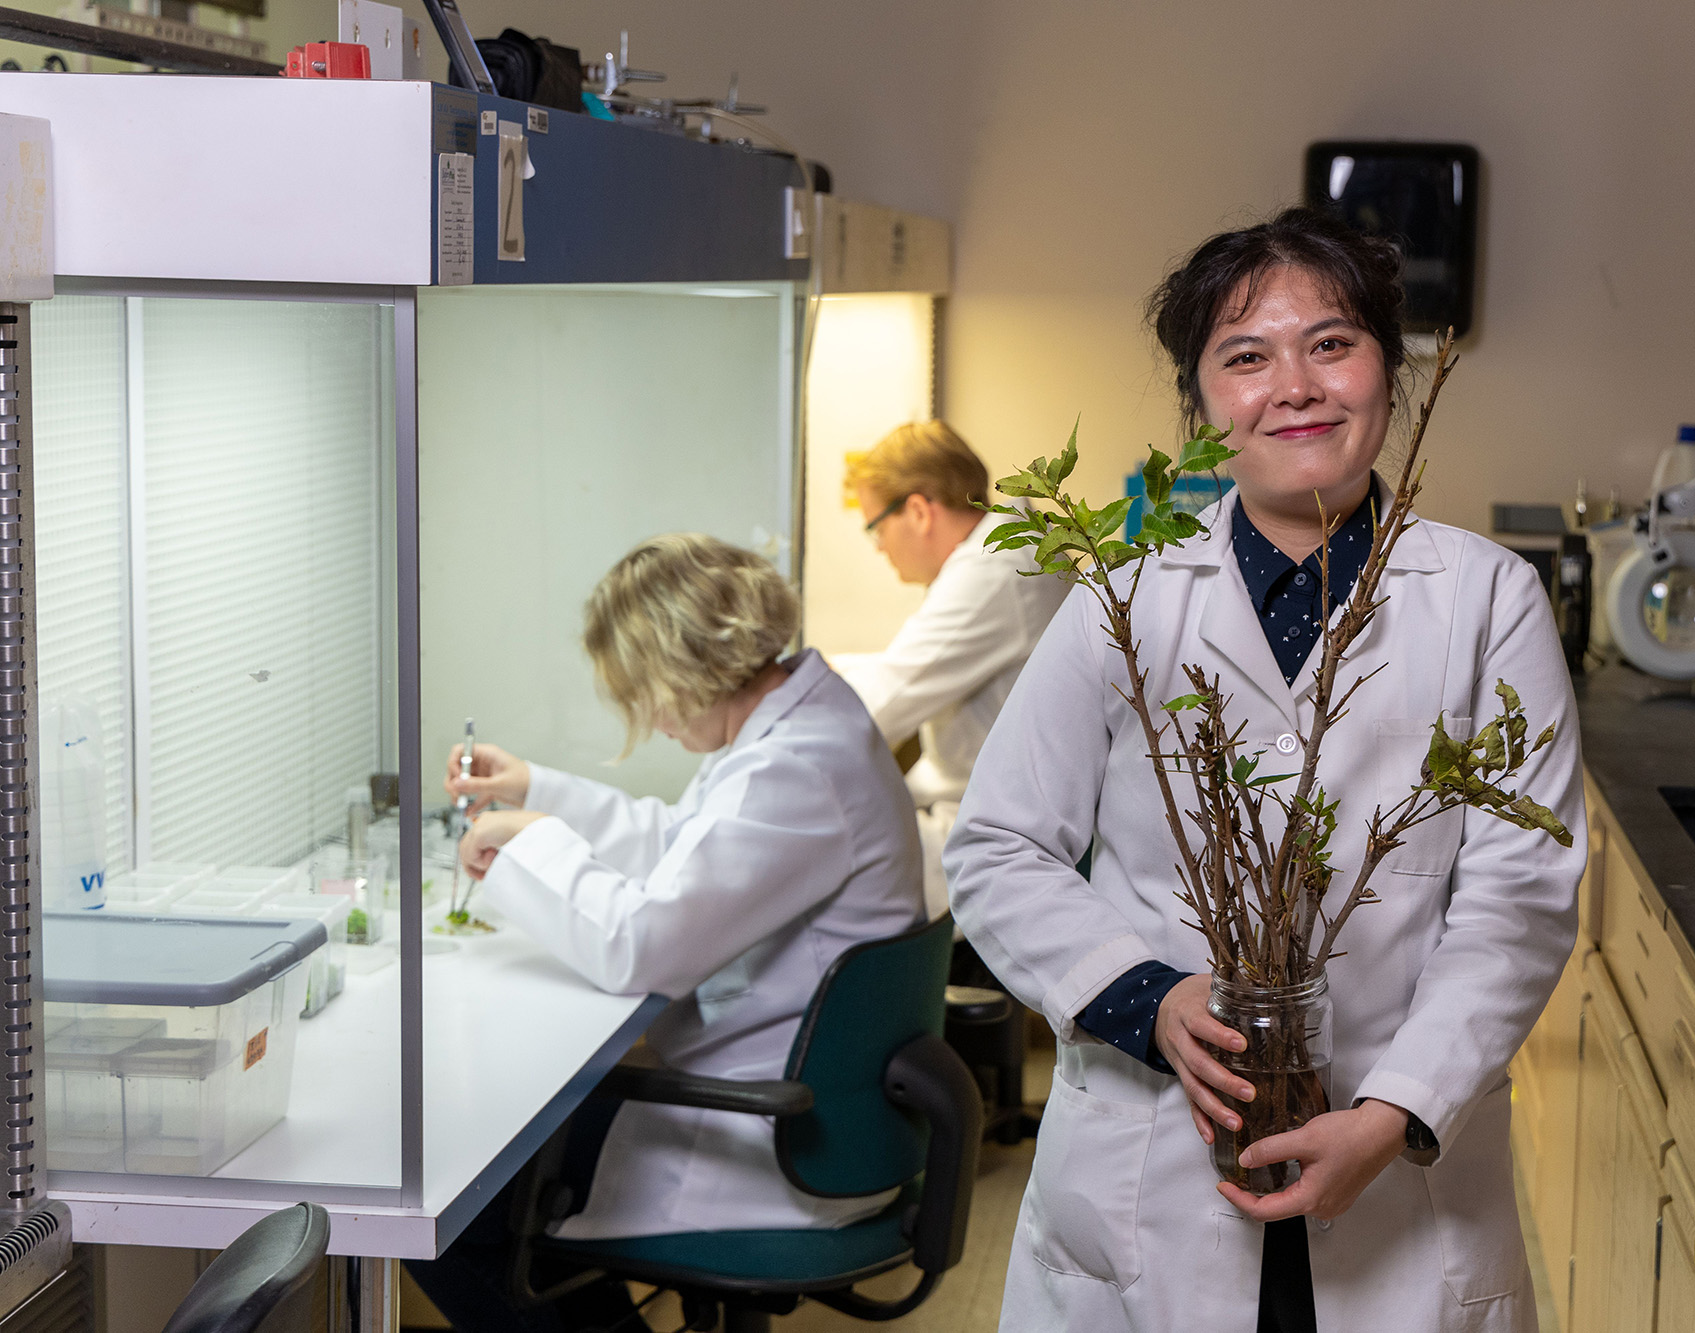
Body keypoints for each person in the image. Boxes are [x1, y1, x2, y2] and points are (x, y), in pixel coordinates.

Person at [945, 207, 1586, 1332]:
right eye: (1245, 357)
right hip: (1154, 1175)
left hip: (1399, 1182)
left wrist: (1394, 1109)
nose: (1294, 385)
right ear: (1200, 410)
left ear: (1390, 368)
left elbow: (1515, 899)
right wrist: (1152, 1000)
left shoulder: (1487, 600)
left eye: (1330, 344)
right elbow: (998, 846)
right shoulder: (1123, 596)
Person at [407, 533, 925, 1333]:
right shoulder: (805, 722)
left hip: (775, 1133)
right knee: (503, 1178)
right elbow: (690, 844)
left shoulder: (796, 768)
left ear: (689, 667)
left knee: (452, 1209)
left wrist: (528, 842)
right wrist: (537, 791)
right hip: (803, 1096)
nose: (647, 718)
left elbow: (638, 946)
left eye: (643, 691)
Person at [833, 421, 1066, 918]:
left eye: (876, 527)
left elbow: (880, 705)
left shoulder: (994, 569)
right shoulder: (1010, 546)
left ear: (917, 511)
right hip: (996, 812)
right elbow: (909, 668)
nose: (878, 547)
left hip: (996, 837)